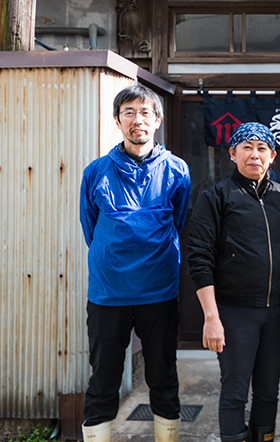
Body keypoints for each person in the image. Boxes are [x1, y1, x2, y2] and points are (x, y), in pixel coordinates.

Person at [79, 85, 191, 442]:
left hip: (158, 290)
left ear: (157, 120)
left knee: (162, 374)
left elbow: (179, 220)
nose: (137, 120)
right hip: (107, 292)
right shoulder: (96, 172)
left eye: (145, 113)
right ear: (117, 121)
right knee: (103, 378)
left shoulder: (177, 170)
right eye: (129, 112)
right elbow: (91, 227)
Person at [187, 122, 280, 442]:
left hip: (277, 312)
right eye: (247, 147)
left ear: (272, 156)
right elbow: (199, 259)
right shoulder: (217, 196)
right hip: (234, 312)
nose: (254, 154)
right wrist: (211, 318)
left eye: (261, 148)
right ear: (232, 153)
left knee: (268, 390)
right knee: (235, 390)